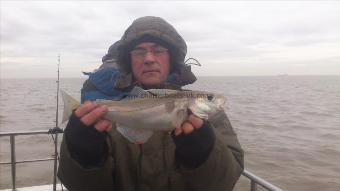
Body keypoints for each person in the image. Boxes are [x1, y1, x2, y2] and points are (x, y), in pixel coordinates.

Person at [58, 16, 244, 191]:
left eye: (158, 50)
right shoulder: (105, 116)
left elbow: (227, 182)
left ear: (171, 58)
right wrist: (82, 155)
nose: (148, 59)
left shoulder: (212, 117)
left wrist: (204, 155)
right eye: (139, 52)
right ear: (129, 61)